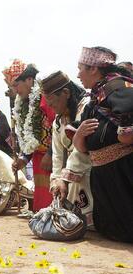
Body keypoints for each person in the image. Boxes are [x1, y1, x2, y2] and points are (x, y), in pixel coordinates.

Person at [73, 46, 133, 242]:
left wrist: (123, 135)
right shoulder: (94, 98)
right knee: (114, 231)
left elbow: (128, 123)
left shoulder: (118, 87)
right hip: (104, 175)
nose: (78, 74)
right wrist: (80, 134)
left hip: (122, 172)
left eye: (81, 68)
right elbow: (81, 147)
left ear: (93, 69)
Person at [40, 71, 94, 227]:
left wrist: (64, 179)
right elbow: (57, 154)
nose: (51, 107)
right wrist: (56, 181)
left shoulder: (87, 107)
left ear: (66, 93)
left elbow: (81, 150)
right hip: (71, 174)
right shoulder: (58, 120)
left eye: (53, 103)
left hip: (90, 168)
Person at [3, 59, 55, 213]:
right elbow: (31, 137)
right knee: (42, 201)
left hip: (54, 159)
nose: (15, 90)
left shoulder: (46, 98)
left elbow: (59, 129)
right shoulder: (24, 103)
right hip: (39, 159)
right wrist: (23, 159)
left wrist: (51, 154)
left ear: (29, 80)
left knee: (53, 198)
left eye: (16, 85)